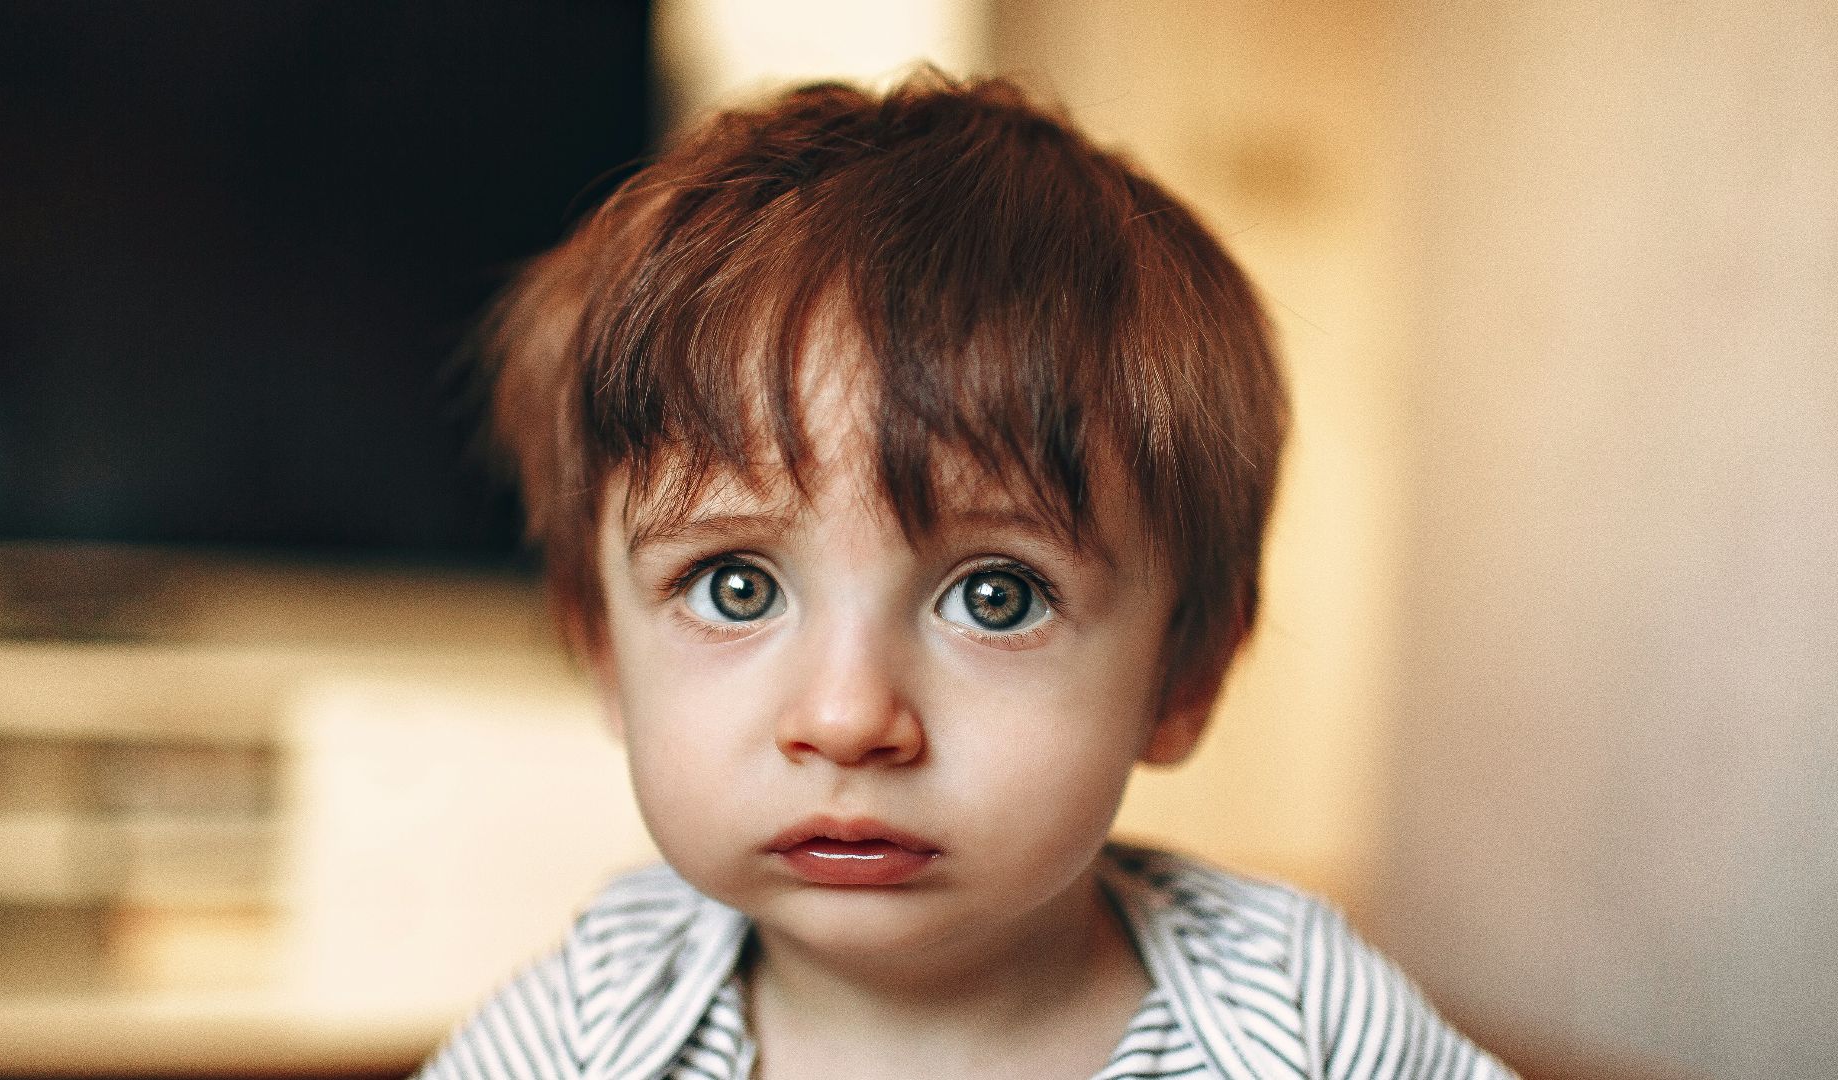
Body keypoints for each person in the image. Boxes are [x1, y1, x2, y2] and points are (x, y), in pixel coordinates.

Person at [420, 71, 1514, 1080]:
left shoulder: (1293, 1011)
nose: (849, 719)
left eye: (998, 596)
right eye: (734, 586)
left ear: (1183, 674)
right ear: (604, 648)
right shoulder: (592, 1021)